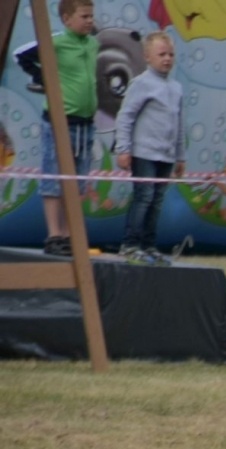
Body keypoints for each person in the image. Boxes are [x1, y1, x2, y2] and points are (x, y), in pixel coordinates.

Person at [113, 31, 184, 265]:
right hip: (144, 152)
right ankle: (130, 244)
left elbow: (179, 123)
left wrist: (180, 156)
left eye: (171, 54)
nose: (167, 59)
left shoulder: (176, 88)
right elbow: (126, 117)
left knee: (157, 200)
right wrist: (123, 148)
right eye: (161, 54)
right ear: (147, 57)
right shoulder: (141, 84)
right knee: (143, 197)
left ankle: (149, 245)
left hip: (166, 155)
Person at [37, 0, 97, 258]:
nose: (89, 21)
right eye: (84, 16)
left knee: (77, 181)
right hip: (60, 121)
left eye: (91, 16)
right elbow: (24, 56)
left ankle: (71, 234)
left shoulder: (93, 44)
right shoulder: (56, 43)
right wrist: (39, 80)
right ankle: (54, 234)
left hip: (85, 124)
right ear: (66, 19)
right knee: (53, 176)